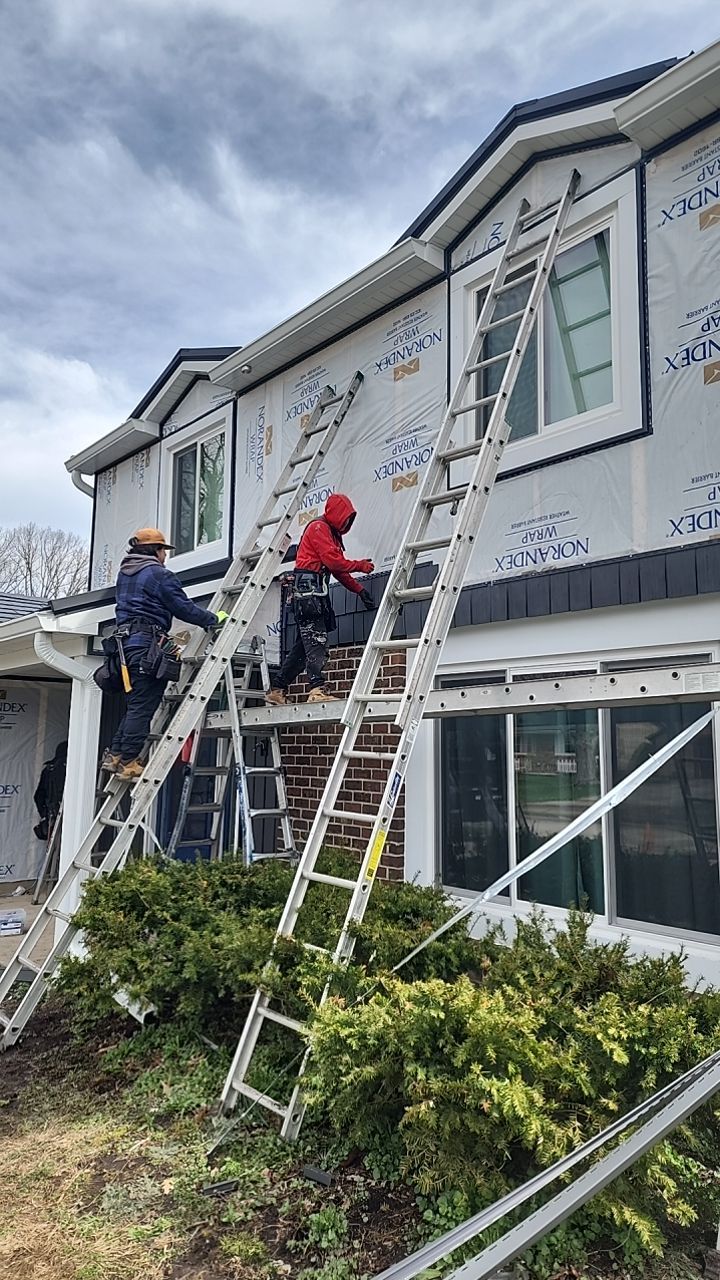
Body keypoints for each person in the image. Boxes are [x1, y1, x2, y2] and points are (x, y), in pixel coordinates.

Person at [102, 528, 224, 781]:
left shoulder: (125, 574)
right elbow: (184, 608)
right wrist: (213, 619)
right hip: (146, 644)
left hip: (125, 647)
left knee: (136, 704)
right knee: (144, 706)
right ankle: (128, 762)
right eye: (163, 551)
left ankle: (114, 755)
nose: (165, 556)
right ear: (155, 551)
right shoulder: (158, 574)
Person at [267, 493, 375, 705]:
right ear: (336, 514)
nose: (347, 523)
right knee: (316, 641)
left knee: (301, 648)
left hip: (312, 595)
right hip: (308, 596)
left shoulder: (331, 533)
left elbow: (338, 570)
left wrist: (359, 590)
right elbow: (335, 563)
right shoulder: (319, 528)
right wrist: (360, 565)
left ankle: (277, 690)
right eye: (346, 518)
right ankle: (316, 690)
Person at [33, 740, 67, 841]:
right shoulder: (74, 768)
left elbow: (38, 796)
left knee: (56, 848)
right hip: (69, 813)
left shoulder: (49, 769)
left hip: (53, 813)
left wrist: (44, 814)